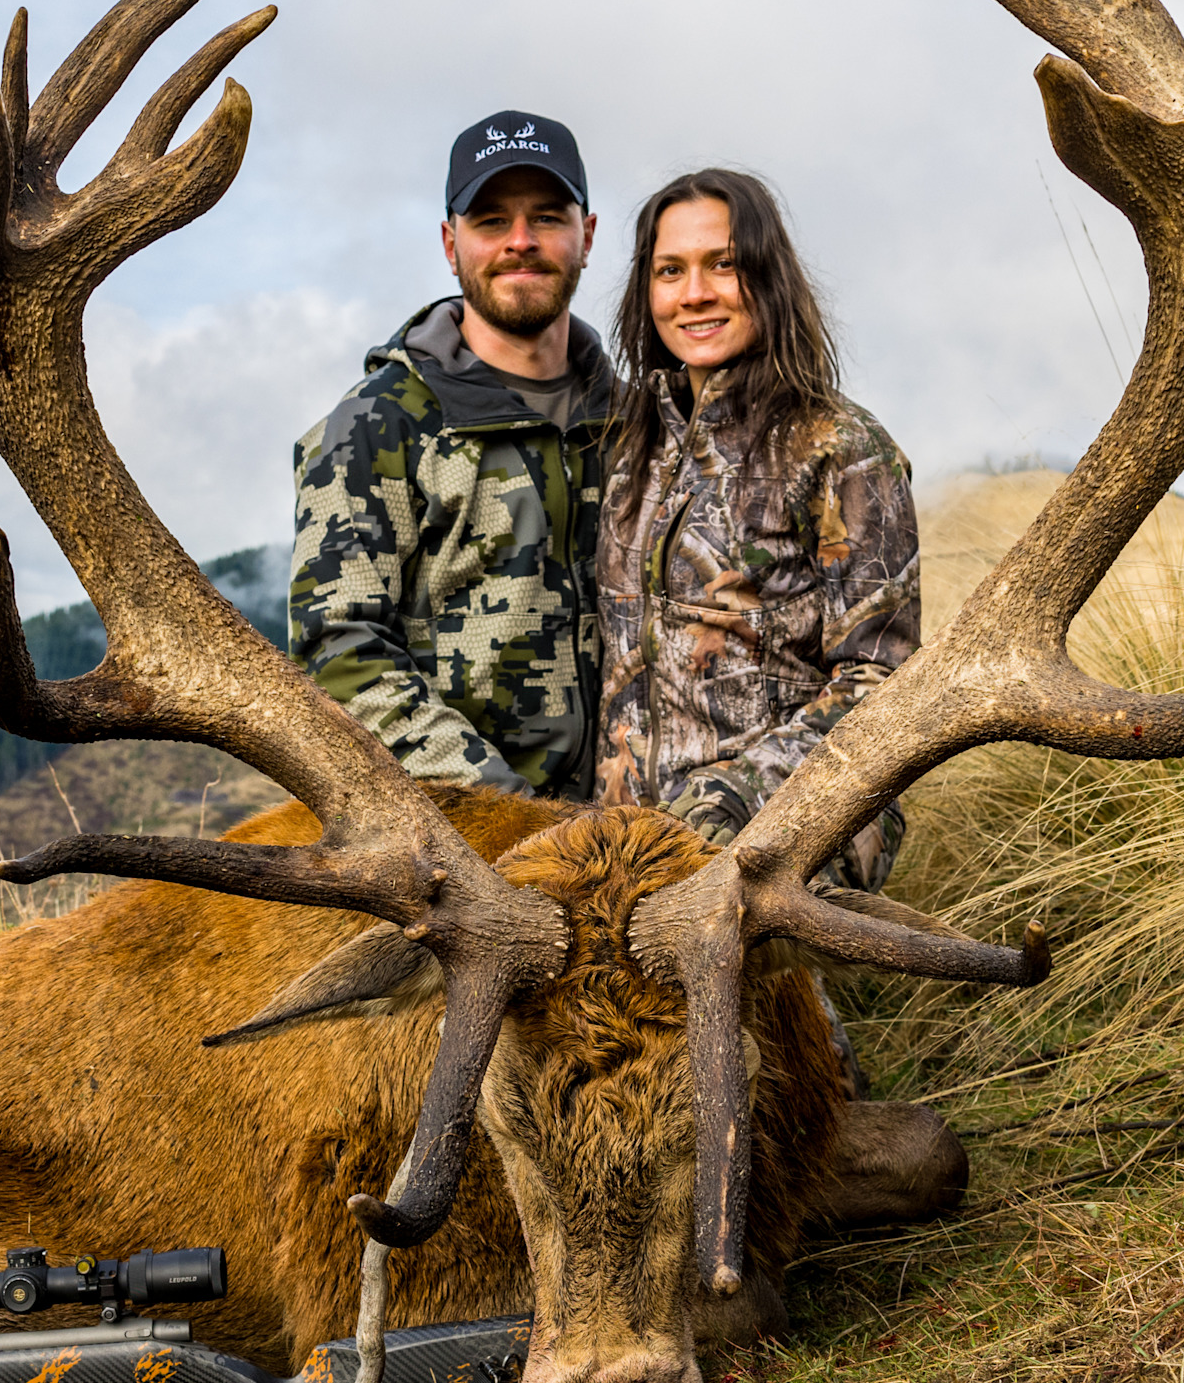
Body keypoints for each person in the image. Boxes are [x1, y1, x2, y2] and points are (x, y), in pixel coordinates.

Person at [595, 166, 918, 887]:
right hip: (630, 853)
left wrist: (732, 798)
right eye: (670, 271)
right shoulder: (633, 452)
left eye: (724, 264)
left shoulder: (842, 450)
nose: (694, 293)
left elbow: (882, 684)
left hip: (787, 839)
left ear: (769, 278)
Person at [289, 112, 609, 798]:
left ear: (586, 236)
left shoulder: (636, 422)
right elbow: (340, 650)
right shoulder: (375, 426)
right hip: (461, 832)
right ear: (449, 243)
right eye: (491, 221)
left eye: (547, 217)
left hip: (635, 830)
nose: (520, 241)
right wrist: (507, 814)